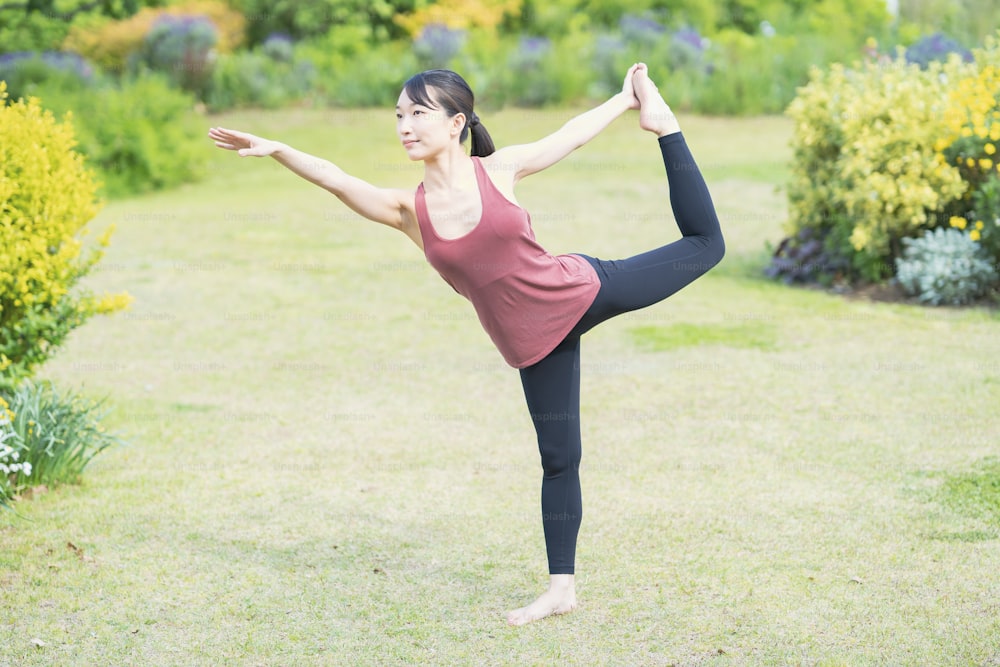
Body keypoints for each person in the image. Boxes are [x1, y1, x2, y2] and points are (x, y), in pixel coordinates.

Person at [208, 62, 724, 626]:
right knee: (559, 459)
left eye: (418, 114)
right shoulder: (409, 211)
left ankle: (666, 122)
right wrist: (280, 147)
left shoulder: (498, 171)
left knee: (703, 245)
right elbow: (334, 176)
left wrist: (627, 102)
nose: (405, 126)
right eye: (399, 116)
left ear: (456, 123)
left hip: (581, 289)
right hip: (533, 344)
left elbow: (569, 134)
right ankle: (561, 590)